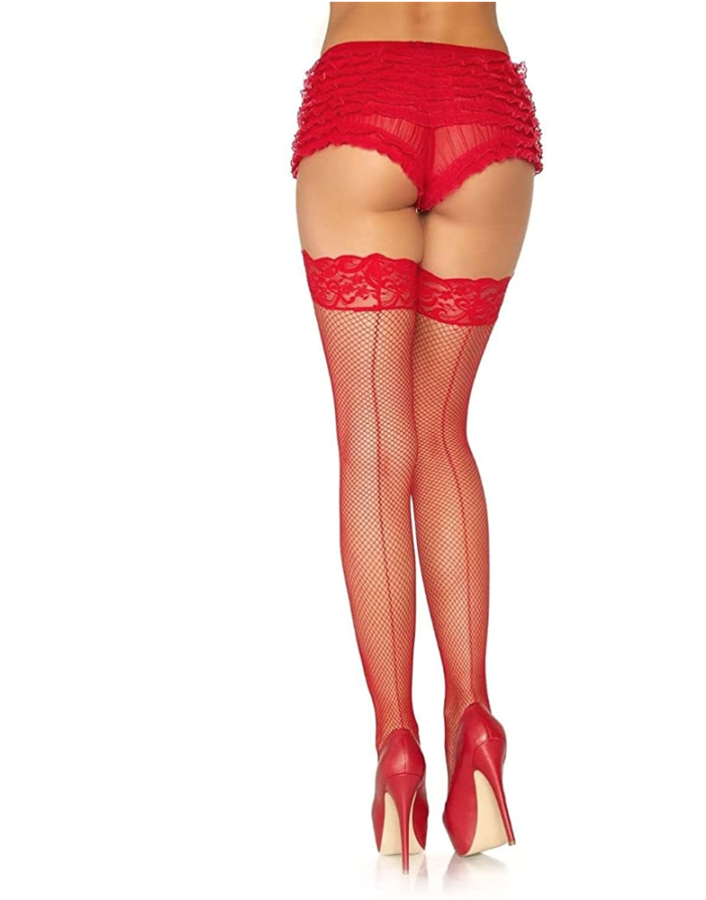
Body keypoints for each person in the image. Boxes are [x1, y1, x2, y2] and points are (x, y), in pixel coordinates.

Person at [291, 2, 543, 872]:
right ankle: (473, 717)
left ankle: (396, 744)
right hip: (484, 104)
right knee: (441, 430)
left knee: (375, 444)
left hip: (363, 96)